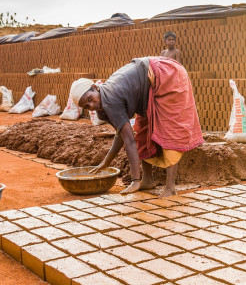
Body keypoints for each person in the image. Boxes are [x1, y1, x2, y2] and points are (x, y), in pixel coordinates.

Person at [70, 57, 203, 197]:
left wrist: (134, 181)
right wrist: (105, 162)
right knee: (143, 130)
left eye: (90, 99)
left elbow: (129, 140)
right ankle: (147, 180)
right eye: (87, 106)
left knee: (169, 130)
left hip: (167, 75)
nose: (91, 105)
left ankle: (170, 188)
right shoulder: (102, 107)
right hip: (148, 87)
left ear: (95, 87)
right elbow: (121, 134)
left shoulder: (110, 99)